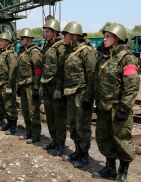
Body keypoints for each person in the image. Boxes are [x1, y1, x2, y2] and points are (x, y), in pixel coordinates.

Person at [92, 23, 140, 182]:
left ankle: (123, 172)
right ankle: (110, 168)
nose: (104, 39)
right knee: (104, 137)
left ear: (117, 38)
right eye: (104, 36)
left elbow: (132, 86)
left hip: (118, 107)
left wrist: (124, 108)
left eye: (108, 37)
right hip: (103, 106)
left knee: (122, 139)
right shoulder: (103, 58)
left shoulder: (127, 58)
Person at [61, 22, 97, 168]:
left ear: (74, 35)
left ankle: (85, 154)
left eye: (66, 35)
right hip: (71, 94)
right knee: (73, 124)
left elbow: (92, 77)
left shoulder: (87, 52)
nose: (63, 37)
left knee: (83, 126)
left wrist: (88, 98)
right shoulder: (69, 51)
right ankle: (77, 150)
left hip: (82, 94)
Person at [39, 19, 67, 156]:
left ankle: (61, 144)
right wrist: (42, 85)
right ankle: (54, 140)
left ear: (55, 32)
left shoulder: (61, 46)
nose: (46, 34)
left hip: (56, 86)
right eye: (45, 31)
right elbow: (44, 67)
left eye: (48, 32)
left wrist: (59, 88)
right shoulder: (47, 46)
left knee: (58, 117)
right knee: (49, 115)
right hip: (47, 84)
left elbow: (62, 69)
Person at [16, 28, 42, 144]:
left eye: (22, 38)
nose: (20, 41)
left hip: (31, 85)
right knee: (25, 110)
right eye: (20, 39)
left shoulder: (34, 52)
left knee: (33, 111)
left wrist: (36, 88)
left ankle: (36, 134)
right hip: (23, 85)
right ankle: (28, 132)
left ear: (29, 39)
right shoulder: (22, 52)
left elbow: (38, 70)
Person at [0, 33, 18, 135]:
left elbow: (13, 71)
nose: (0, 43)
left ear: (7, 42)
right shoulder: (2, 53)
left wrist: (10, 85)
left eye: (2, 41)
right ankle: (8, 123)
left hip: (7, 84)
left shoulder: (10, 54)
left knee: (10, 106)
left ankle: (13, 126)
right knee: (3, 105)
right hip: (0, 84)